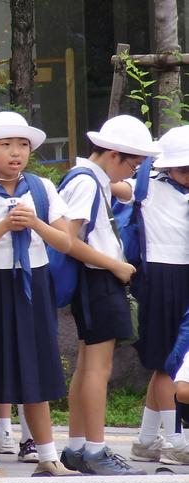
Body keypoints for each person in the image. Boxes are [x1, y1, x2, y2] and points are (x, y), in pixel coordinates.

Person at [0, 111, 76, 478]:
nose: (16, 152)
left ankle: (48, 456)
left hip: (32, 283)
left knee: (37, 370)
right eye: (5, 145)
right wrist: (3, 226)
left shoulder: (43, 188)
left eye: (22, 145)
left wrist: (34, 223)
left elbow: (66, 242)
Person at [58, 114, 159, 475]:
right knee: (98, 369)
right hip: (98, 278)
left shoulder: (88, 178)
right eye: (133, 164)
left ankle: (77, 447)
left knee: (88, 367)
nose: (132, 172)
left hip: (97, 279)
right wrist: (115, 265)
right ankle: (96, 450)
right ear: (114, 154)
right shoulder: (87, 182)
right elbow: (68, 240)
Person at [111, 125, 189, 465]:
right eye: (184, 169)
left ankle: (145, 440)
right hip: (158, 279)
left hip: (183, 276)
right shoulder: (147, 187)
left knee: (169, 363)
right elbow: (114, 186)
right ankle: (175, 442)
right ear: (167, 166)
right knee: (167, 363)